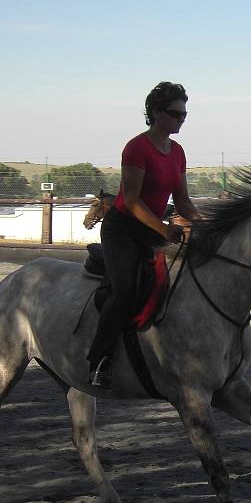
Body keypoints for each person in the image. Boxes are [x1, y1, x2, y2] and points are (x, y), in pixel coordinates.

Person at [87, 81, 202, 389]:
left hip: (152, 228)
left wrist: (206, 226)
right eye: (175, 113)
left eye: (184, 114)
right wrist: (164, 229)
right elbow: (133, 201)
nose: (181, 119)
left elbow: (183, 201)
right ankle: (99, 359)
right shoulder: (137, 147)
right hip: (123, 228)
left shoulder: (177, 152)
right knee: (125, 290)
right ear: (155, 113)